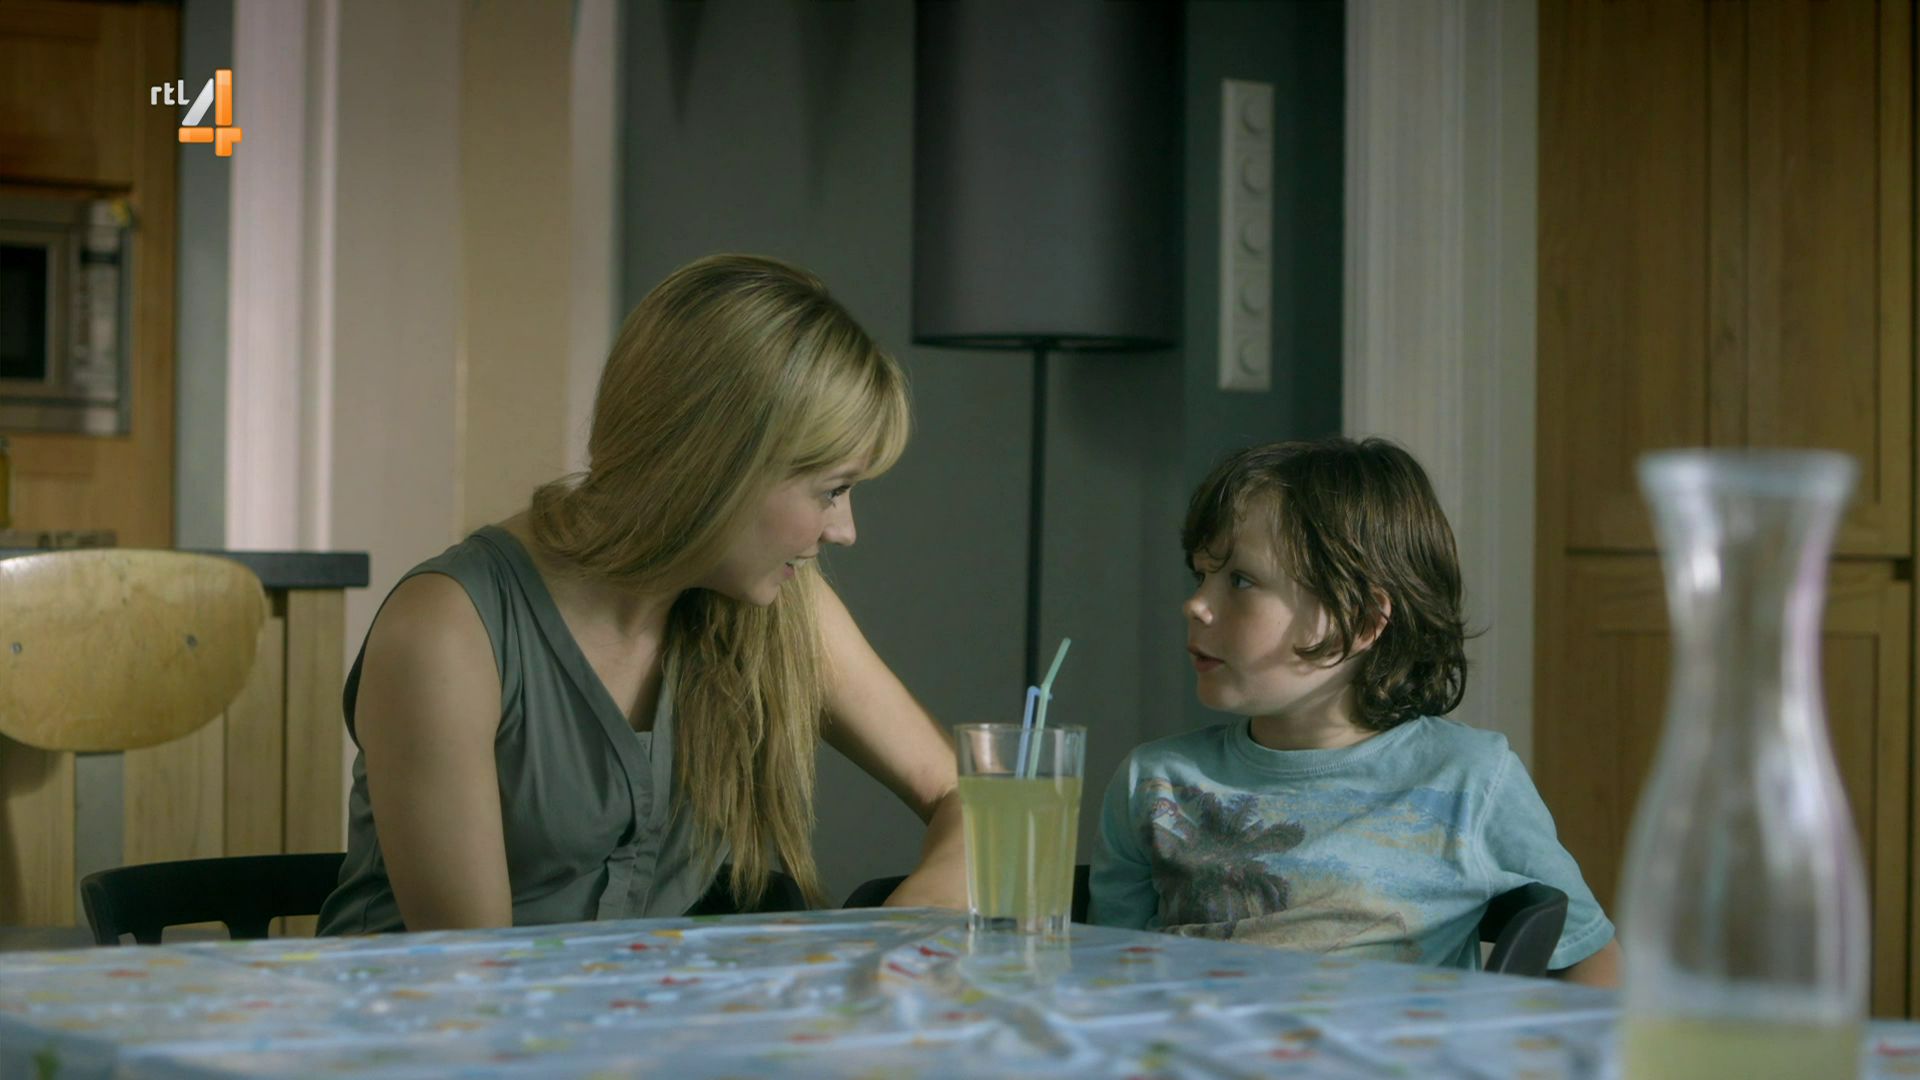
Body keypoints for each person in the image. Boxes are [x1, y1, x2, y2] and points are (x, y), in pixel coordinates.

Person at [318, 254, 964, 934]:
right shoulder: (447, 631)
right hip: (445, 1004)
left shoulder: (783, 613)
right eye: (832, 490)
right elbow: (474, 974)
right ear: (721, 468)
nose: (845, 531)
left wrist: (904, 930)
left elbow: (967, 795)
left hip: (625, 1003)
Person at [1088, 437, 1621, 986]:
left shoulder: (1471, 778)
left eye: (1241, 580)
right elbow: (1106, 976)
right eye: (1200, 574)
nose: (1195, 604)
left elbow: (1592, 956)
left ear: (1360, 621)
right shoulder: (1152, 782)